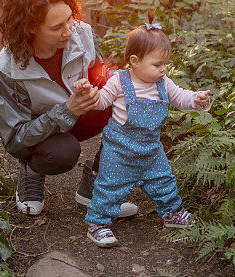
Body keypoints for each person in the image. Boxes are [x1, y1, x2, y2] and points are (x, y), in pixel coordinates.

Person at [0, 0, 138, 217]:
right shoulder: (8, 68)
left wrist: (118, 79)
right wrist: (67, 110)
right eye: (56, 27)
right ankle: (31, 171)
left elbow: (99, 72)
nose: (69, 31)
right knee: (64, 153)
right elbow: (14, 138)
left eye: (69, 20)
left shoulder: (82, 33)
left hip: (78, 113)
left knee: (131, 100)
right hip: (40, 135)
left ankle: (97, 186)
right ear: (30, 28)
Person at [77, 13, 211, 247]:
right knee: (109, 187)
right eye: (157, 64)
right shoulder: (119, 81)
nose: (163, 69)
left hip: (150, 149)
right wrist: (91, 95)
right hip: (119, 151)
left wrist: (196, 99)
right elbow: (102, 103)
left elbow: (180, 96)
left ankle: (172, 213)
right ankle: (98, 224)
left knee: (163, 180)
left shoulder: (163, 83)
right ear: (135, 61)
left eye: (165, 64)